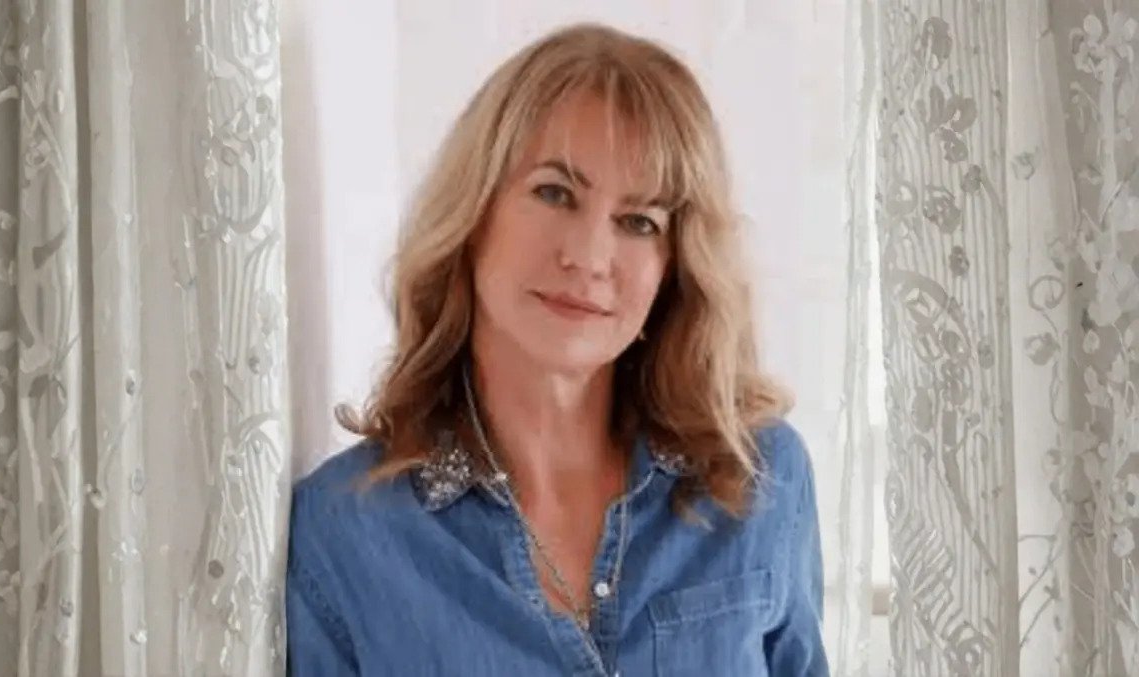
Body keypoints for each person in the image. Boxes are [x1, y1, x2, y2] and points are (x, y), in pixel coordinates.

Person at [286, 22, 828, 676]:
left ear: (673, 268)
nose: (589, 257)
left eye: (639, 222)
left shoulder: (758, 478)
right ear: (476, 211)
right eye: (555, 193)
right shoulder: (346, 532)